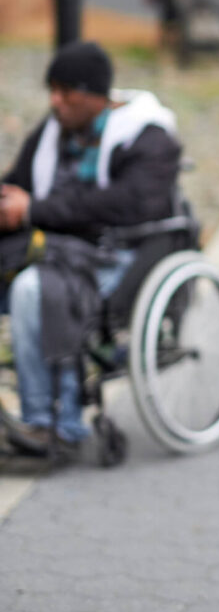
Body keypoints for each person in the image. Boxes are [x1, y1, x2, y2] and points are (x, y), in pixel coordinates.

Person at [0, 41, 181, 456]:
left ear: (95, 94)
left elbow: (127, 203)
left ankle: (48, 422)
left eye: (65, 92)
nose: (55, 102)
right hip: (54, 245)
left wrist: (33, 210)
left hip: (116, 253)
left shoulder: (148, 136)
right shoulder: (53, 131)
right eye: (52, 91)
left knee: (32, 288)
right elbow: (20, 181)